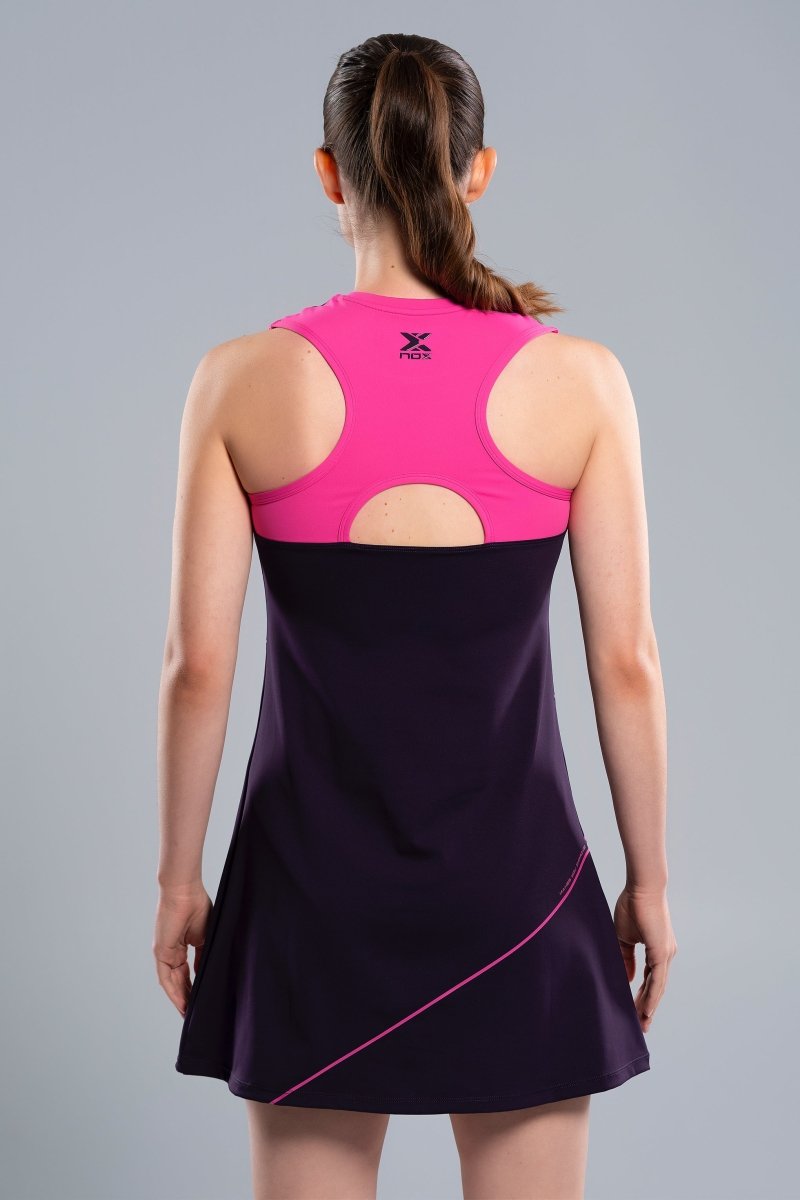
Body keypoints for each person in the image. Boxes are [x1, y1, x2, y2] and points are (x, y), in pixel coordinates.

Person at [154, 31, 677, 1200]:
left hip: (307, 897)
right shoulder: (580, 381)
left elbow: (197, 667)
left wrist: (177, 882)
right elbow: (626, 662)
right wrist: (647, 880)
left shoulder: (239, 379)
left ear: (327, 174)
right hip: (518, 891)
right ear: (476, 172)